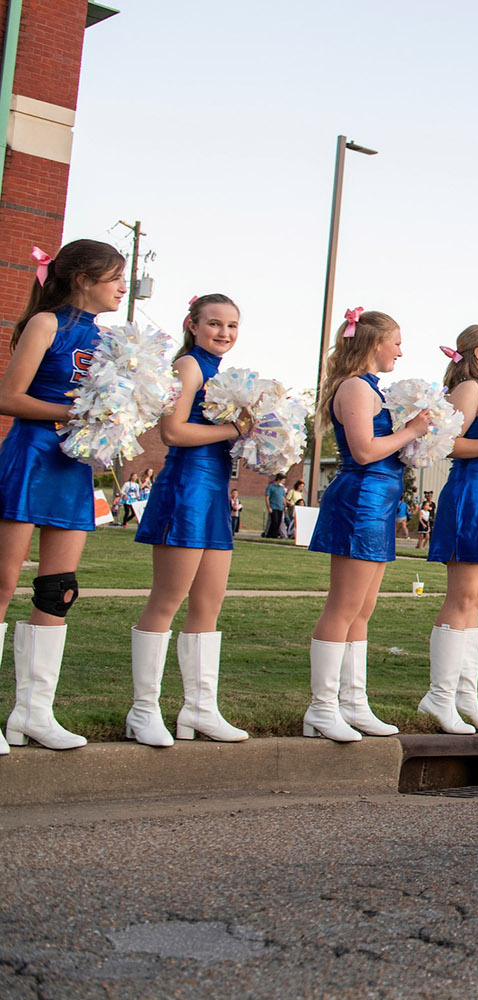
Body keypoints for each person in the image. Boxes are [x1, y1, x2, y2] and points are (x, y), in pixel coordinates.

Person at [0, 239, 127, 752]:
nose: (122, 286)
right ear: (82, 278)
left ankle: (32, 714)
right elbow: (7, 397)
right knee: (4, 581)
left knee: (60, 589)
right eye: (115, 277)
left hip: (72, 465)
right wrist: (73, 412)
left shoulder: (113, 342)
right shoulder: (46, 324)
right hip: (31, 458)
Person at [129, 293, 254, 746]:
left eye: (232, 326)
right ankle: (142, 711)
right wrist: (235, 430)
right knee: (167, 600)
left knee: (209, 603)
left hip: (215, 495)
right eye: (215, 324)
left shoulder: (225, 374)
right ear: (193, 324)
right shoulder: (188, 367)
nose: (224, 333)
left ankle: (199, 710)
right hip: (185, 490)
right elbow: (173, 432)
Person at [305, 308, 431, 741]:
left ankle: (353, 702)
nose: (400, 350)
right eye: (396, 341)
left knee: (363, 608)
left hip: (378, 500)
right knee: (343, 606)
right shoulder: (356, 388)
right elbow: (362, 451)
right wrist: (413, 430)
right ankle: (322, 707)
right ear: (375, 344)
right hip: (360, 498)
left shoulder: (371, 387)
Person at [420, 328, 478, 734]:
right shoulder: (470, 387)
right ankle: (438, 696)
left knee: (477, 597)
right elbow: (450, 444)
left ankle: (465, 695)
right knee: (461, 597)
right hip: (471, 495)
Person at [263, 474, 286, 538]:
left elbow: (283, 497)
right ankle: (270, 534)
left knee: (278, 522)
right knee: (274, 521)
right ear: (278, 480)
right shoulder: (271, 487)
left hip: (280, 507)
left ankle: (275, 534)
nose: (283, 482)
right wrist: (269, 507)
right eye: (283, 480)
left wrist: (285, 506)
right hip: (273, 506)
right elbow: (267, 497)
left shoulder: (282, 488)